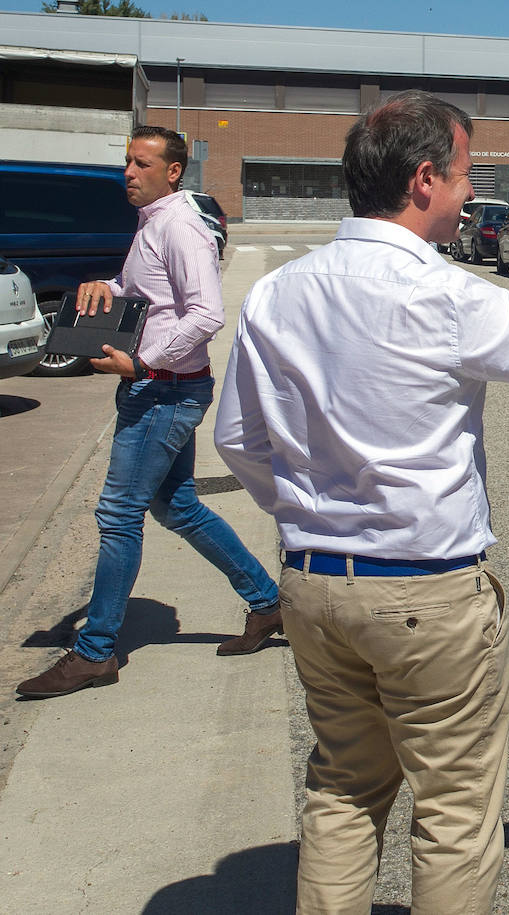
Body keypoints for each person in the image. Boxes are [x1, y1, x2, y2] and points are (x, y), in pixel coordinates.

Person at [213, 90, 509, 915]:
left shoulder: (279, 293)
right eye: (464, 176)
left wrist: (312, 515)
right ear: (425, 179)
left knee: (343, 791)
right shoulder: (444, 295)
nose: (468, 195)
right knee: (456, 810)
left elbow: (238, 439)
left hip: (314, 581)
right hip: (425, 589)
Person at [17, 126, 282, 700]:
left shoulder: (180, 225)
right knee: (178, 507)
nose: (128, 174)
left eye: (140, 164)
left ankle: (95, 651)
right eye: (126, 163)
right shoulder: (155, 220)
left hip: (165, 390)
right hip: (161, 387)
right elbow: (152, 295)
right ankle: (268, 604)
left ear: (173, 171)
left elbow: (206, 314)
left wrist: (142, 362)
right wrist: (105, 286)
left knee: (118, 515)